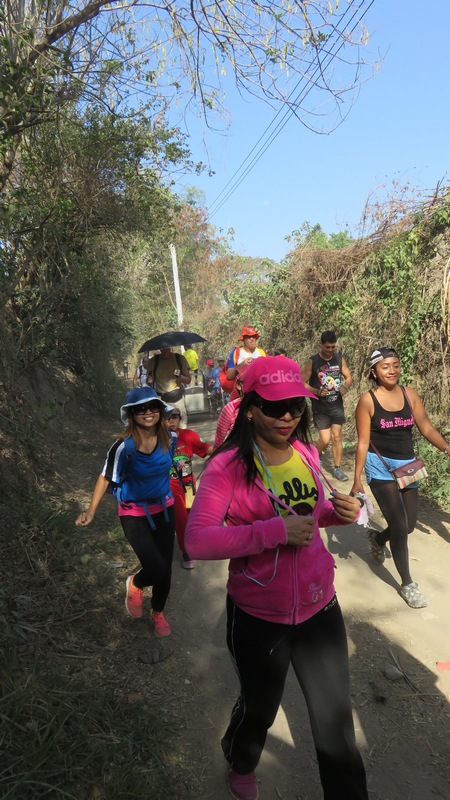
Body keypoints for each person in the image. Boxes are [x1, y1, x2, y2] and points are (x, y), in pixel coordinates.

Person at [185, 356, 368, 800]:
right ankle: (241, 760)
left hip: (320, 606)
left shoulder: (305, 452)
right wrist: (273, 532)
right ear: (249, 409)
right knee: (259, 710)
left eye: (295, 406)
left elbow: (312, 515)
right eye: (274, 407)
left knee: (336, 725)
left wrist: (338, 513)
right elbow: (197, 540)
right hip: (258, 616)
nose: (287, 416)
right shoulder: (227, 466)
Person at [351, 347, 450, 609]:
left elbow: (426, 427)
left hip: (408, 467)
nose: (392, 370)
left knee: (408, 525)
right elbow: (363, 442)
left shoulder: (410, 395)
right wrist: (357, 479)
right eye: (385, 366)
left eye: (395, 365)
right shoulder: (367, 401)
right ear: (374, 371)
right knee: (398, 524)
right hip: (380, 467)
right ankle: (407, 584)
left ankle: (378, 539)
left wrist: (447, 448)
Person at [75, 387, 176, 637]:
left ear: (160, 410)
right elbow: (105, 477)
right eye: (140, 408)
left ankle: (157, 612)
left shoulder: (170, 438)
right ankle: (135, 583)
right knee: (155, 567)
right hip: (134, 513)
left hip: (165, 509)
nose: (148, 412)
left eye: (153, 406)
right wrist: (91, 511)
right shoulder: (123, 448)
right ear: (131, 414)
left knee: (166, 569)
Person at [303, 330, 352, 482]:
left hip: (336, 404)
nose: (330, 350)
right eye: (327, 347)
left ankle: (337, 469)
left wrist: (345, 387)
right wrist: (317, 391)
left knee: (337, 437)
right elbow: (302, 383)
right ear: (321, 344)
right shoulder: (313, 361)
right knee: (324, 440)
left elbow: (348, 377)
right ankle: (313, 456)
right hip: (321, 406)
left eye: (333, 347)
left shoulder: (339, 359)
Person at [167, 408, 213, 569]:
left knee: (192, 515)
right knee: (181, 520)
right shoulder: (157, 440)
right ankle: (186, 552)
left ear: (180, 419)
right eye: (167, 418)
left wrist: (225, 450)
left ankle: (196, 542)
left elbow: (206, 449)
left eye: (174, 417)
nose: (171, 421)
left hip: (188, 486)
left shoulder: (188, 436)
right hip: (171, 489)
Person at [147, 347, 190, 425]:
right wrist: (149, 381)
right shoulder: (153, 361)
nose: (165, 350)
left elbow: (188, 380)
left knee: (181, 426)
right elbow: (149, 380)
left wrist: (180, 377)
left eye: (167, 348)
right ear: (160, 349)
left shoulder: (179, 359)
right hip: (162, 401)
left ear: (170, 347)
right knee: (164, 428)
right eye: (162, 348)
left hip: (177, 399)